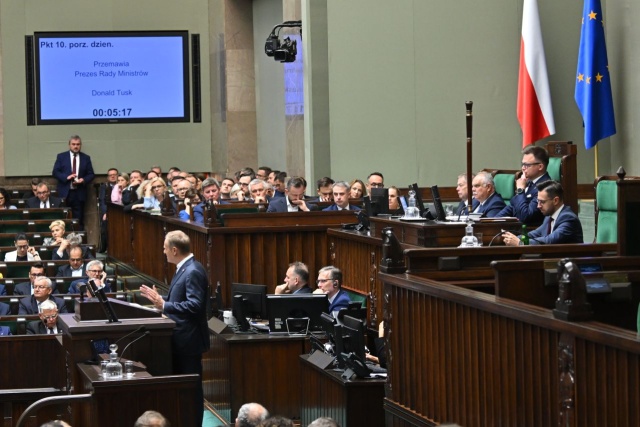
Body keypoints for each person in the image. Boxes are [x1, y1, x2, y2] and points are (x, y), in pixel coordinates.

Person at [139, 231, 210, 425]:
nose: (163, 252)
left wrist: (165, 305)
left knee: (191, 390)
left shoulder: (193, 270)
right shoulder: (184, 268)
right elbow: (182, 300)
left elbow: (195, 305)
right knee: (184, 389)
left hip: (188, 341)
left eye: (164, 248)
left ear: (174, 250)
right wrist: (163, 301)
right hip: (181, 339)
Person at [503, 181, 583, 246]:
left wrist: (521, 243)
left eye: (542, 202)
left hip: (570, 263)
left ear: (556, 200)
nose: (538, 206)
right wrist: (511, 238)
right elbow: (533, 234)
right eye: (538, 201)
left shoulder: (568, 219)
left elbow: (549, 241)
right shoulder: (549, 217)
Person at [496, 145, 551, 226]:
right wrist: (494, 221)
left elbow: (525, 217)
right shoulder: (528, 183)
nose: (523, 168)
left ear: (540, 166)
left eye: (527, 165)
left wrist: (520, 190)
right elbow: (512, 207)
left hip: (531, 233)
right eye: (522, 164)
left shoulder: (546, 186)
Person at [52, 135, 95, 228]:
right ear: (69, 145)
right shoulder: (61, 156)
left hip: (79, 193)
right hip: (65, 192)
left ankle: (78, 240)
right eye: (73, 144)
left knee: (78, 220)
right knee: (62, 219)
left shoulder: (86, 158)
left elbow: (91, 174)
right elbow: (55, 172)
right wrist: (67, 177)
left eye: (78, 144)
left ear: (81, 145)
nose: (76, 146)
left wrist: (83, 180)